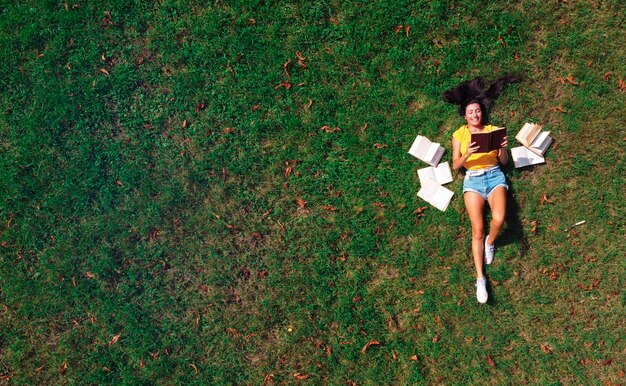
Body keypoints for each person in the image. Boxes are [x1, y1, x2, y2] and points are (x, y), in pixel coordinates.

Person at [444, 76, 521, 303]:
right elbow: (456, 165)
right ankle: (480, 279)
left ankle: (490, 242)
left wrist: (502, 149)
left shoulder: (493, 130)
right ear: (464, 115)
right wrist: (467, 152)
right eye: (470, 112)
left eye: (477, 111)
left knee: (499, 218)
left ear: (481, 113)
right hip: (473, 180)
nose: (475, 115)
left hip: (495, 175)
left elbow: (504, 162)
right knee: (476, 229)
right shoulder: (459, 135)